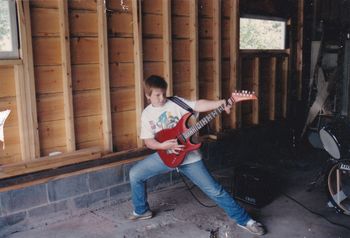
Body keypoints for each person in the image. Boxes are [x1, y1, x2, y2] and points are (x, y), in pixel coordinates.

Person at [128, 75, 266, 236]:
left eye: (164, 93)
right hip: (166, 155)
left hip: (189, 157)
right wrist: (162, 146)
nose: (162, 97)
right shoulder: (147, 114)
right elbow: (148, 141)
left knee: (215, 191)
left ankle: (246, 220)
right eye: (157, 95)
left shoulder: (176, 102)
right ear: (147, 95)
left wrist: (222, 103)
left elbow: (198, 105)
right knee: (135, 174)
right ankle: (141, 210)